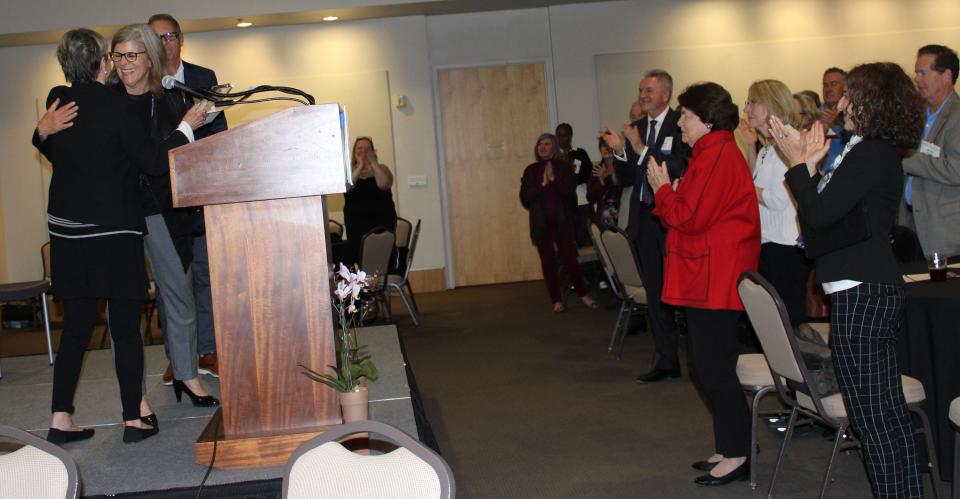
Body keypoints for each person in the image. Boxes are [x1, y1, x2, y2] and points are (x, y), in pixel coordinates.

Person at [33, 28, 205, 444]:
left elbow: (54, 148)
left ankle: (60, 420)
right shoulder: (117, 106)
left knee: (76, 326)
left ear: (65, 65)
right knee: (125, 324)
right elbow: (151, 162)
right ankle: (133, 418)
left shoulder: (58, 98)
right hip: (114, 229)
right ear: (103, 63)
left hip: (67, 232)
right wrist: (184, 128)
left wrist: (39, 131)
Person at [773, 61, 926, 498]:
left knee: (876, 422)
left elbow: (819, 213)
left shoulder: (872, 151)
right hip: (861, 289)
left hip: (865, 292)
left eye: (851, 95)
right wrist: (811, 168)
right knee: (882, 420)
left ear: (871, 102)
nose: (840, 103)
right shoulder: (866, 150)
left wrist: (800, 166)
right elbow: (832, 218)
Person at [646, 82, 760, 486]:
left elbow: (689, 217)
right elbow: (687, 213)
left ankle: (740, 452)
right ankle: (732, 444)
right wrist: (669, 196)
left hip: (717, 277)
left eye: (687, 117)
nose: (680, 124)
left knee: (713, 369)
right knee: (708, 366)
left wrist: (662, 191)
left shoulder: (718, 156)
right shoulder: (709, 154)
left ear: (708, 120)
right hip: (707, 275)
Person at [110, 24, 218, 407]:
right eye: (118, 55)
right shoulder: (107, 101)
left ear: (150, 58)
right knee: (125, 308)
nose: (125, 64)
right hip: (118, 215)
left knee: (180, 297)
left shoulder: (168, 99)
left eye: (132, 55)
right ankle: (134, 395)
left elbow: (179, 158)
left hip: (161, 211)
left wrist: (188, 127)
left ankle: (187, 375)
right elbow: (152, 158)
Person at [149, 13, 228, 385]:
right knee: (170, 282)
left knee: (204, 274)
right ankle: (179, 355)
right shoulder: (142, 86)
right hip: (161, 198)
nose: (163, 42)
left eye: (168, 35)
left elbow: (219, 134)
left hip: (201, 194)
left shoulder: (203, 79)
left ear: (180, 40)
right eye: (155, 37)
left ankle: (208, 349)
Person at [599, 69, 691, 383]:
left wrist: (640, 149)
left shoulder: (681, 124)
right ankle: (667, 360)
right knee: (655, 293)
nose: (643, 96)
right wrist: (621, 150)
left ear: (665, 94)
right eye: (641, 90)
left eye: (649, 90)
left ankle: (699, 355)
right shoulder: (636, 128)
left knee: (684, 291)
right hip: (645, 219)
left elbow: (679, 167)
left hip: (674, 221)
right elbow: (625, 179)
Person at [738, 80, 809, 327]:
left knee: (787, 321)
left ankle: (798, 367)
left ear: (770, 104)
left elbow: (777, 199)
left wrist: (742, 187)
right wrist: (750, 147)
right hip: (771, 242)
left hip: (785, 246)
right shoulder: (770, 146)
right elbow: (756, 183)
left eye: (752, 102)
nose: (746, 109)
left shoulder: (788, 141)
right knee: (774, 323)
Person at [520, 133, 599, 312]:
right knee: (547, 262)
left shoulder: (563, 168)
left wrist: (553, 181)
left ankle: (583, 294)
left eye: (547, 144)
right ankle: (556, 300)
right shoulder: (530, 170)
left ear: (554, 147)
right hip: (541, 224)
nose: (543, 147)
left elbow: (569, 193)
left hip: (563, 222)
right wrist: (542, 184)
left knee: (570, 259)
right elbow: (525, 198)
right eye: (540, 144)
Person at [901, 44, 960, 257]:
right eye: (916, 73)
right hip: (912, 226)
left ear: (946, 76)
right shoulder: (916, 115)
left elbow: (956, 169)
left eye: (922, 73)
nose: (916, 79)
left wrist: (907, 159)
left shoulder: (957, 116)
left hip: (947, 234)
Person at [343, 136, 398, 265]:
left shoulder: (382, 169)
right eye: (360, 148)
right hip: (357, 224)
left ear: (373, 151)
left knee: (382, 255)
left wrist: (373, 163)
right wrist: (360, 165)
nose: (364, 152)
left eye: (368, 148)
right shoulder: (349, 172)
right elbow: (347, 187)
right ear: (354, 152)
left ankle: (383, 282)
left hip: (382, 221)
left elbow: (383, 184)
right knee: (360, 255)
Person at [556, 123, 595, 248]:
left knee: (587, 241)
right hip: (562, 204)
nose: (561, 138)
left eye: (564, 135)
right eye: (558, 135)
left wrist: (568, 166)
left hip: (582, 202)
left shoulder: (580, 153)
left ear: (570, 136)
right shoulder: (554, 157)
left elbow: (586, 175)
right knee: (568, 244)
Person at [586, 139, 622, 227]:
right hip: (602, 217)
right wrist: (602, 182)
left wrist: (606, 177)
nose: (606, 148)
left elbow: (620, 194)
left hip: (621, 216)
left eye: (608, 145)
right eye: (603, 146)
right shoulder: (597, 169)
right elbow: (590, 197)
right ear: (599, 149)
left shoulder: (621, 167)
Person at [819, 67, 849, 171]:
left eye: (834, 84)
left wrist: (837, 124)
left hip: (844, 172)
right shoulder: (815, 114)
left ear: (845, 87)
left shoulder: (852, 115)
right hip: (819, 172)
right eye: (825, 85)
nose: (828, 89)